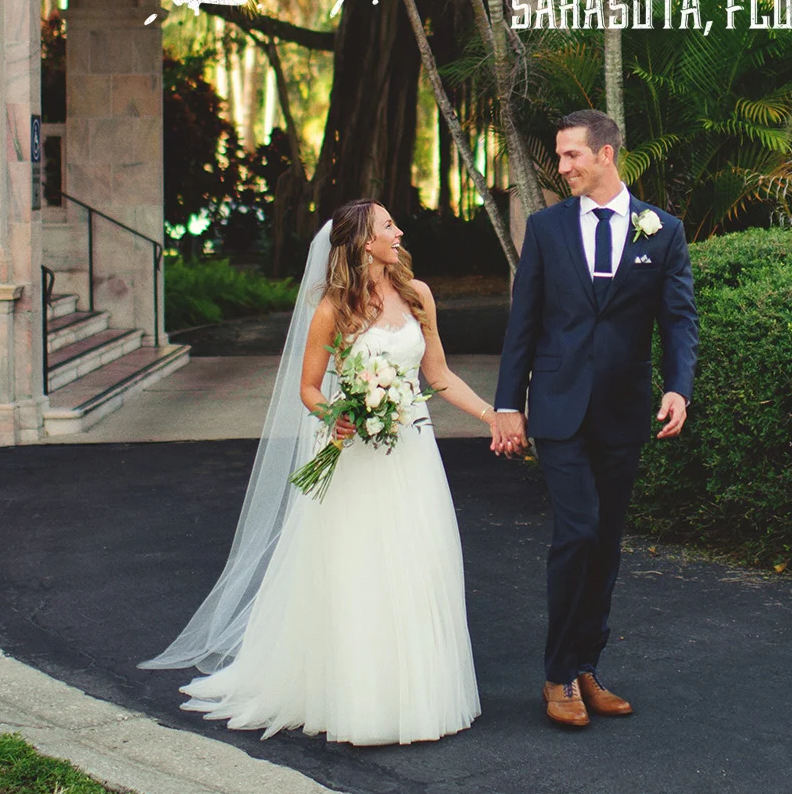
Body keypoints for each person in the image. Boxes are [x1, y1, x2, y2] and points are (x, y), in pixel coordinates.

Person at [140, 199, 501, 746]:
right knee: (359, 571)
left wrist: (491, 416)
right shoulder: (333, 308)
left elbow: (440, 374)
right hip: (354, 458)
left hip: (412, 454)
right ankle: (361, 699)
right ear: (363, 243)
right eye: (388, 225)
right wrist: (339, 413)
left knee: (419, 561)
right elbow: (309, 388)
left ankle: (421, 694)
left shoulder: (417, 294)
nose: (399, 231)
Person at [491, 108, 700, 729]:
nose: (562, 168)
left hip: (623, 411)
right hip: (558, 408)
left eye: (571, 156)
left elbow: (679, 319)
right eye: (559, 157)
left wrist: (679, 388)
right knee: (578, 532)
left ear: (605, 155)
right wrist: (509, 404)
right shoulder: (546, 229)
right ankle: (557, 675)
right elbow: (523, 322)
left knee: (606, 544)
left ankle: (587, 667)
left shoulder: (661, 230)